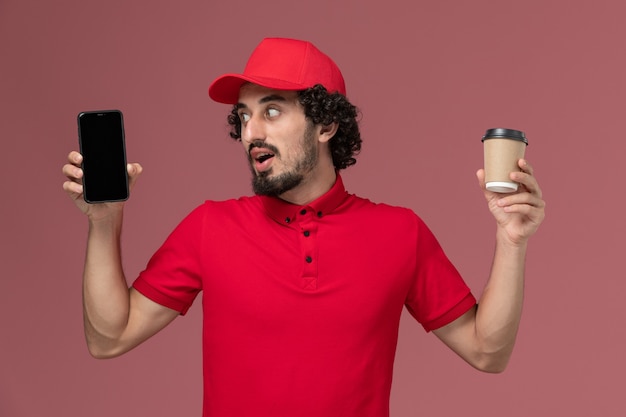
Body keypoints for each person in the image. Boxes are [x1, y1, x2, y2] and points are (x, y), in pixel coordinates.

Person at [62, 37, 545, 417]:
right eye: (244, 116)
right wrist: (104, 223)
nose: (252, 132)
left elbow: (487, 352)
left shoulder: (400, 233)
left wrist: (512, 240)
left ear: (326, 124)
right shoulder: (209, 226)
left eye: (272, 111)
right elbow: (109, 338)